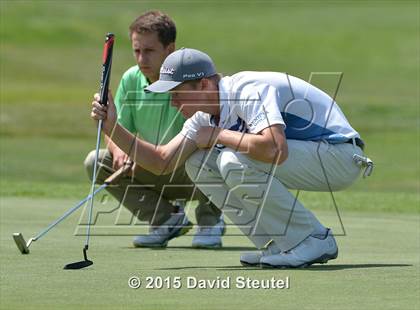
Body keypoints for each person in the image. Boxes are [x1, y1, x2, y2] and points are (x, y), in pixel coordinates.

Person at [91, 48, 372, 268]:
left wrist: (216, 136)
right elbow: (162, 162)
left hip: (340, 156)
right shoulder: (204, 116)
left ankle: (313, 239)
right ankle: (276, 243)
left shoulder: (247, 90)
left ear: (203, 85)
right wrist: (113, 126)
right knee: (197, 162)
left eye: (177, 94)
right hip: (311, 157)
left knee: (231, 160)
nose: (173, 103)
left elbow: (275, 149)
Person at [85, 13, 224, 249]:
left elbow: (213, 132)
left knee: (212, 155)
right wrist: (120, 152)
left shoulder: (189, 79)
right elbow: (116, 129)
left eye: (149, 51)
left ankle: (210, 221)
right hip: (153, 165)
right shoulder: (131, 78)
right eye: (137, 51)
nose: (141, 59)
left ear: (169, 49)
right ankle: (167, 219)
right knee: (97, 161)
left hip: (193, 171)